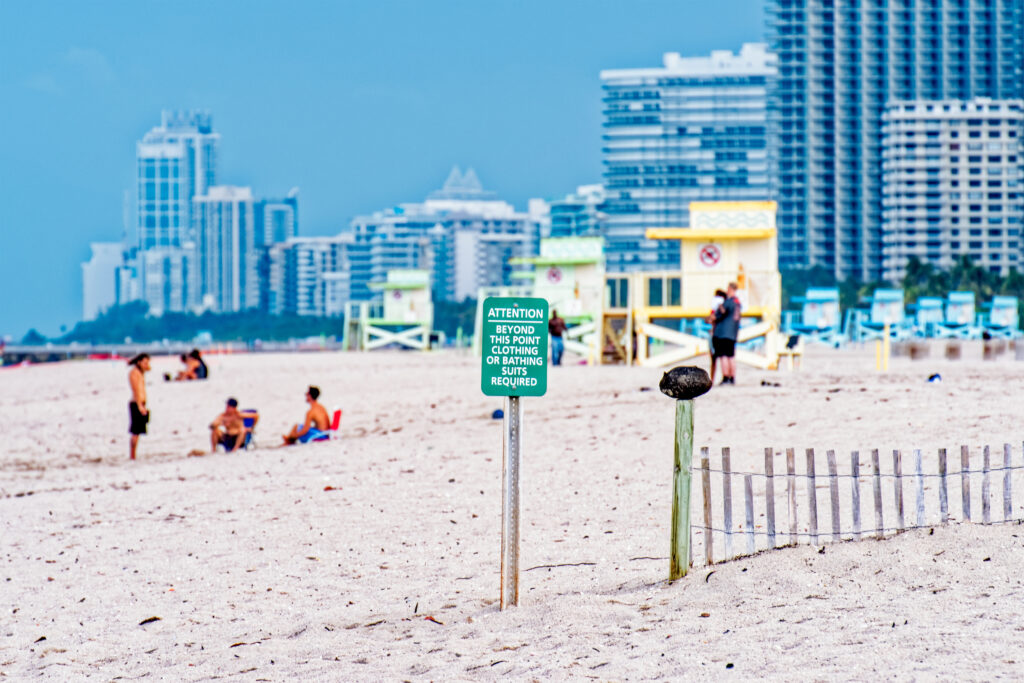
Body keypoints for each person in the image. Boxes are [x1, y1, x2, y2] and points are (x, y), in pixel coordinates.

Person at [712, 282, 742, 385]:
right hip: (733, 332)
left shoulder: (728, 302)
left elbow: (720, 313)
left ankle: (726, 377)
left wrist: (718, 305)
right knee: (731, 356)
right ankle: (732, 378)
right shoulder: (738, 302)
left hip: (724, 333)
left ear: (730, 289)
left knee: (723, 356)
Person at [128, 353, 151, 460]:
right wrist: (139, 405)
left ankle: (134, 454)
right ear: (139, 362)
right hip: (136, 403)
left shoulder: (140, 372)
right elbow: (136, 390)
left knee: (138, 431)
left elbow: (149, 369)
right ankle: (132, 455)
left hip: (141, 403)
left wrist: (145, 365)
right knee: (135, 431)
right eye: (145, 362)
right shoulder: (134, 373)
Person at [707, 289, 727, 383]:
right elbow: (708, 320)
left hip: (717, 334)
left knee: (719, 358)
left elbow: (710, 319)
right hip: (715, 334)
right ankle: (713, 379)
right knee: (715, 358)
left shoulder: (723, 308)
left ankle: (721, 377)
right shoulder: (716, 309)